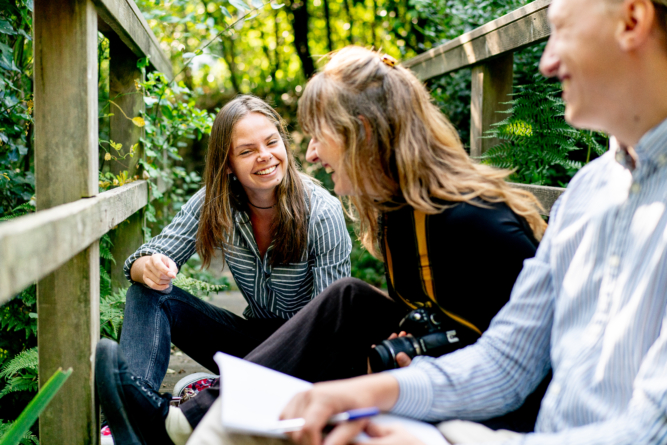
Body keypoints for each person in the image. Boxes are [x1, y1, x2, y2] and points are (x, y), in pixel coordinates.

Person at [237, 0, 667, 444]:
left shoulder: (475, 224)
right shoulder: (588, 191)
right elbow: (508, 361)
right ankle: (216, 412)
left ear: (633, 20)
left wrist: (445, 439)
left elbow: (651, 429)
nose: (547, 62)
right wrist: (369, 391)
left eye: (561, 30)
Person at [95, 46, 549, 444]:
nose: (310, 154)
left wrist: (418, 366)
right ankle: (147, 409)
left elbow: (521, 357)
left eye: (315, 136)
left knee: (341, 300)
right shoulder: (399, 215)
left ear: (363, 134)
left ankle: (179, 423)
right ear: (228, 164)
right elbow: (437, 315)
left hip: (499, 405)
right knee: (350, 300)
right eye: (248, 150)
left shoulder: (476, 222)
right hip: (418, 368)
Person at [97, 95, 351, 444]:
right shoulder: (214, 201)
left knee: (314, 345)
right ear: (228, 163)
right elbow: (141, 259)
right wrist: (150, 267)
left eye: (272, 142)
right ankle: (136, 409)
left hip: (306, 357)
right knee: (149, 292)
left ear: (284, 145)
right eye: (246, 151)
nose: (264, 155)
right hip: (250, 342)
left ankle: (183, 412)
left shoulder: (322, 212)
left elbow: (331, 331)